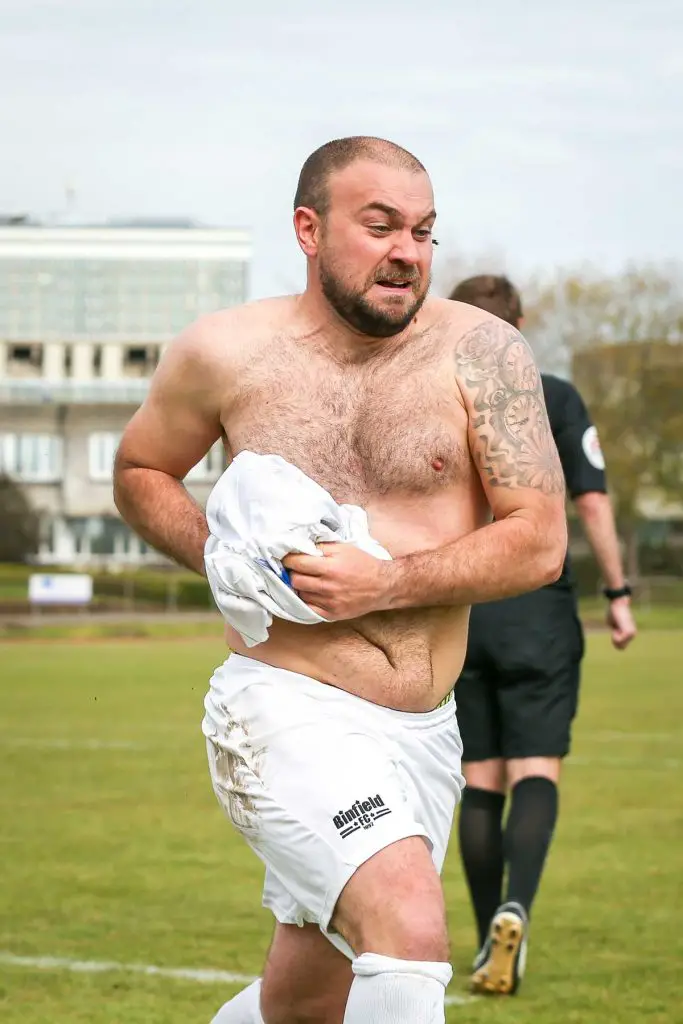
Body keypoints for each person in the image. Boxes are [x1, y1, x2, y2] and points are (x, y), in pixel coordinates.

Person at [113, 138, 568, 1024]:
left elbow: (540, 542)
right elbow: (140, 470)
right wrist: (220, 551)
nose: (408, 250)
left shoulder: (483, 353)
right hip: (282, 708)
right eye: (381, 226)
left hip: (423, 734)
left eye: (425, 231)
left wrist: (384, 583)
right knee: (407, 923)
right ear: (308, 229)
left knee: (305, 1005)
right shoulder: (224, 351)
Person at [448, 274, 637, 997]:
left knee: (478, 780)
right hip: (537, 608)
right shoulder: (552, 396)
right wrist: (616, 593)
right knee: (535, 770)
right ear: (518, 327)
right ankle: (514, 909)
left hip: (462, 607)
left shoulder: (441, 393)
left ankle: (482, 942)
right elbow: (589, 502)